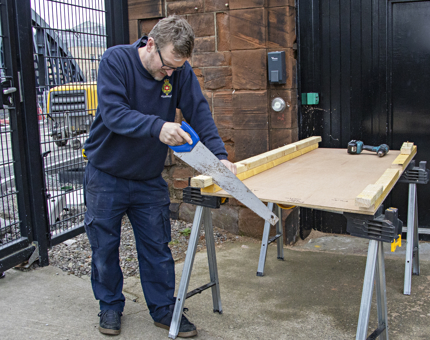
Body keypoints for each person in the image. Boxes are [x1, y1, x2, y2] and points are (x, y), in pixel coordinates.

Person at [83, 15, 236, 337]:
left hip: (147, 178)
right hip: (106, 175)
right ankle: (110, 306)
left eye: (177, 68)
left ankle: (165, 310)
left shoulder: (178, 71)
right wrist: (159, 126)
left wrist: (220, 158)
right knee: (104, 248)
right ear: (150, 43)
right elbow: (113, 113)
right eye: (167, 65)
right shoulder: (116, 60)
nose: (170, 74)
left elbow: (198, 111)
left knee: (157, 247)